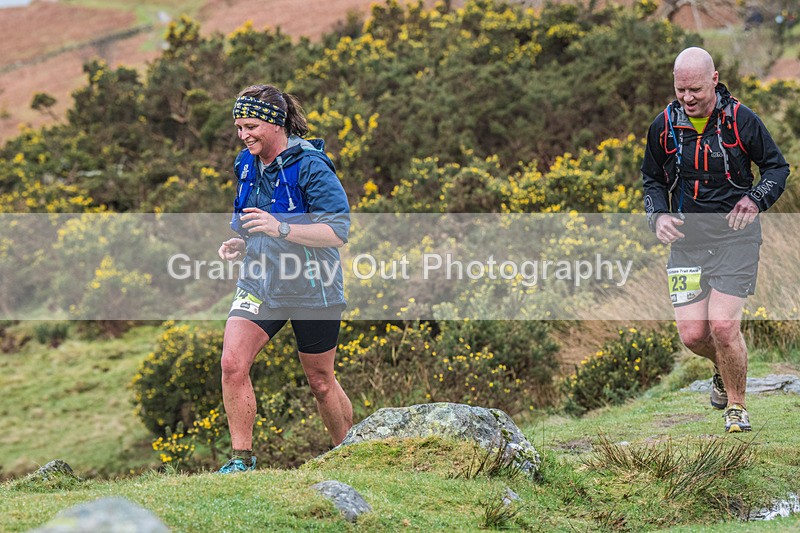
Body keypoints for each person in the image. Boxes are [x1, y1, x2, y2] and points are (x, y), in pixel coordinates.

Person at [642, 47, 789, 433]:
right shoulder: (663, 125)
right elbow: (652, 179)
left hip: (735, 240)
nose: (688, 98)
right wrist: (656, 216)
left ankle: (737, 408)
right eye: (680, 90)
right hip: (687, 245)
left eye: (695, 89)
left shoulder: (741, 119)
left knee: (723, 327)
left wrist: (756, 199)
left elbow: (776, 167)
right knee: (693, 336)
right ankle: (724, 369)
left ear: (714, 79)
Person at [216, 84, 353, 472]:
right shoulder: (245, 164)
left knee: (321, 381)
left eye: (251, 126)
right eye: (239, 127)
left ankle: (351, 456)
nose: (244, 135)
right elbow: (249, 223)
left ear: (275, 123)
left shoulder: (311, 165)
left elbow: (338, 232)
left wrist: (281, 229)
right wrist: (239, 244)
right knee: (232, 363)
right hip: (260, 283)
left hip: (314, 287)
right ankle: (241, 460)